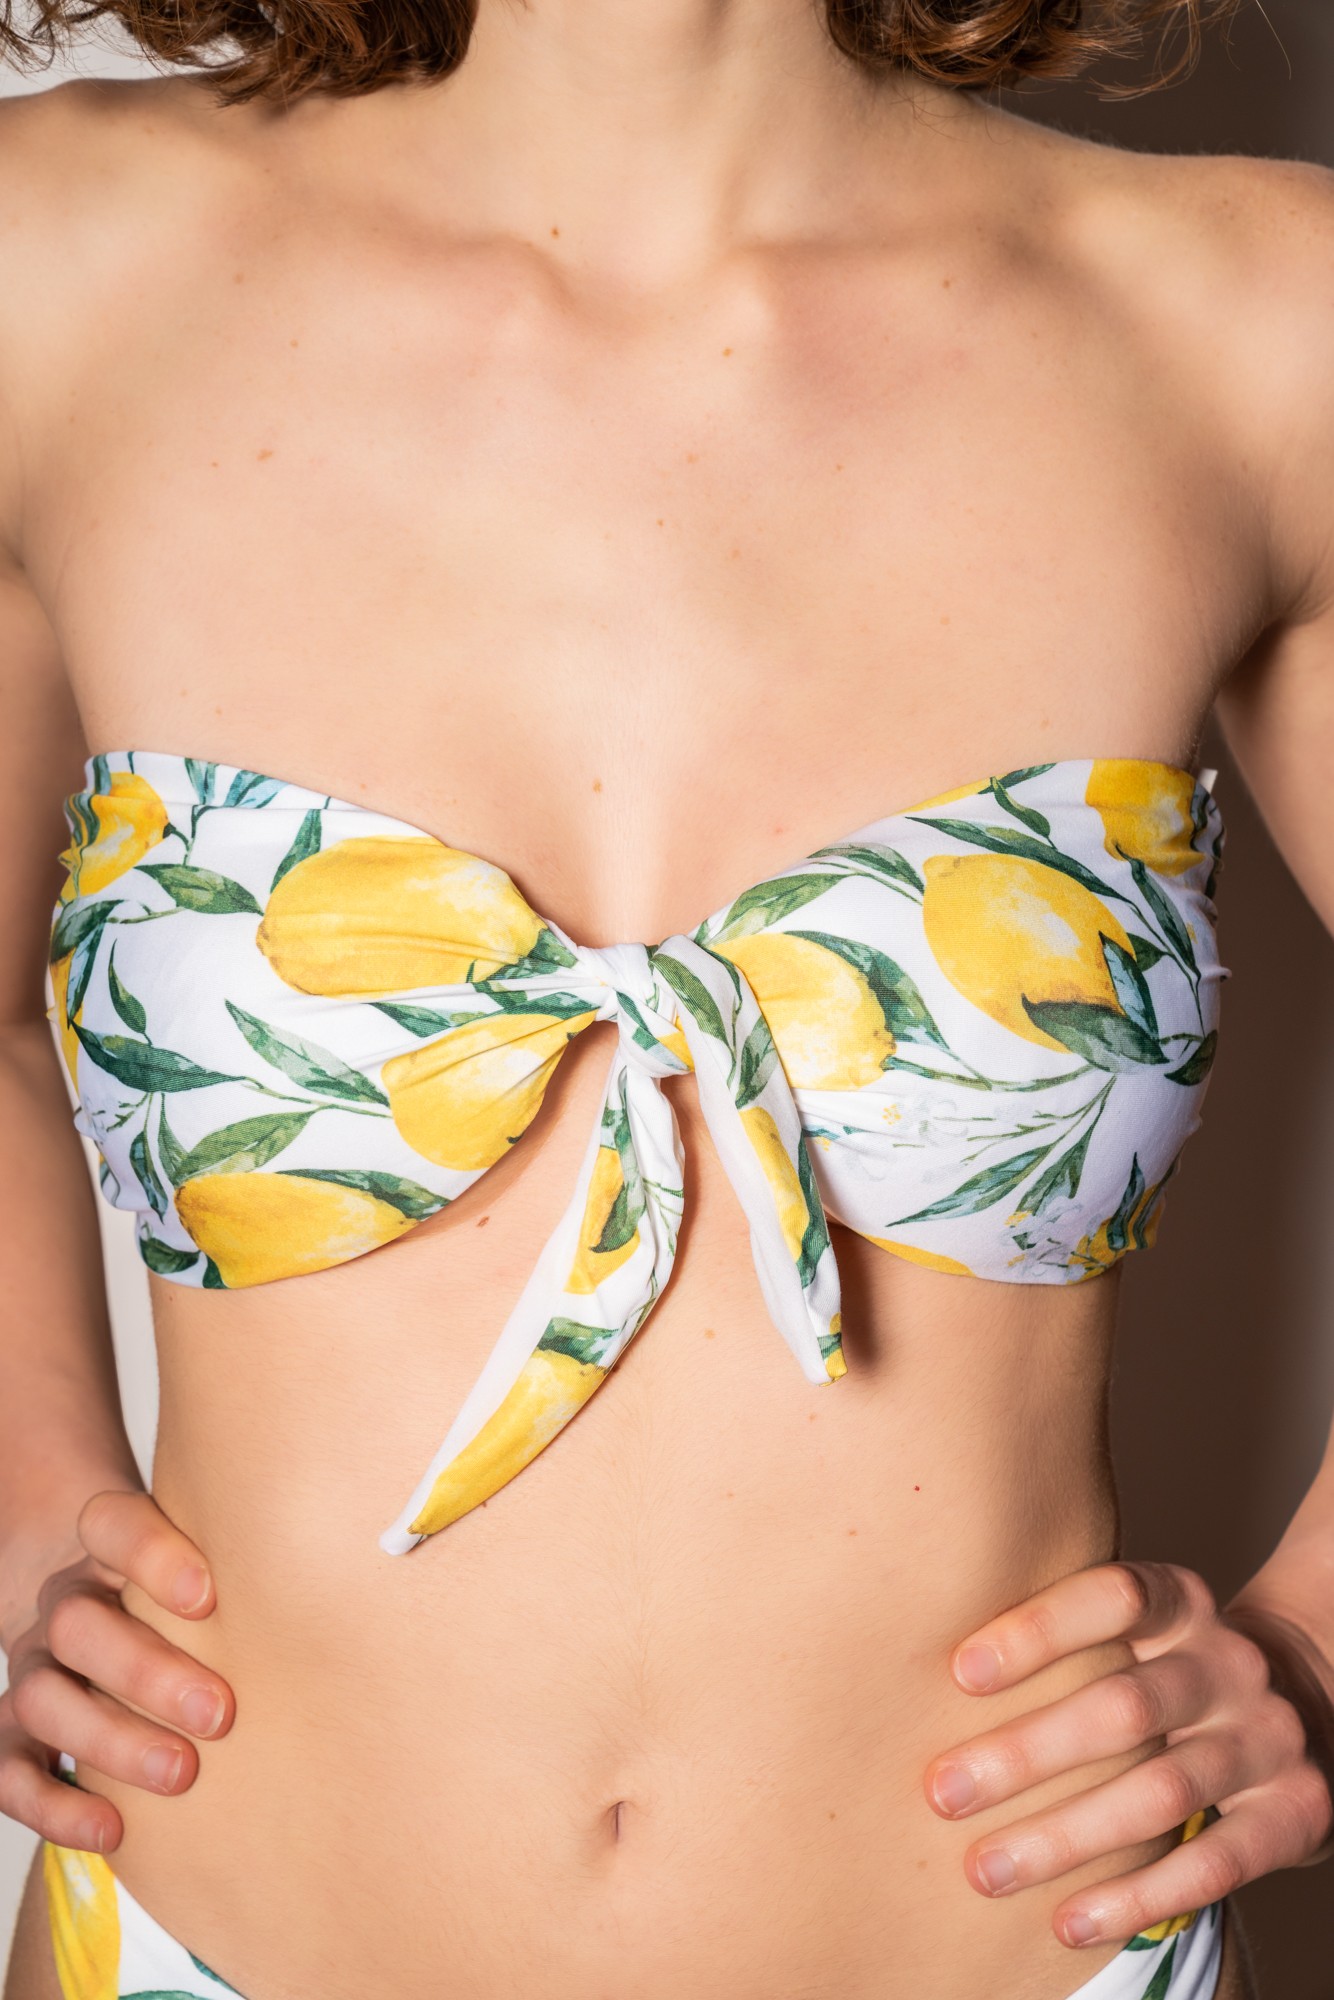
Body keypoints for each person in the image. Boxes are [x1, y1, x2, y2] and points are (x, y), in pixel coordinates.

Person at [0, 2, 1331, 1996]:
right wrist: (29, 1494)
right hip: (201, 1924)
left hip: (1030, 1948)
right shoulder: (54, 265)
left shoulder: (1253, 321)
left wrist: (1316, 1641)